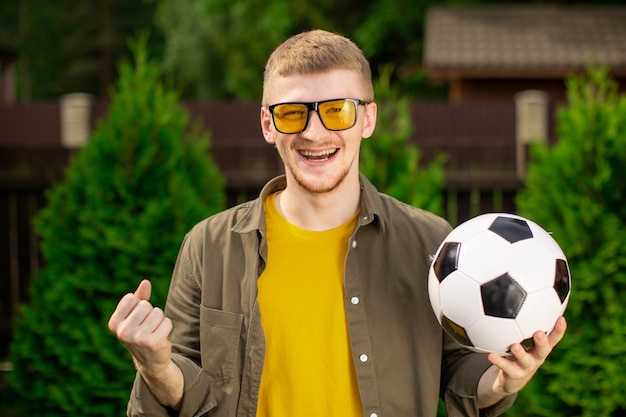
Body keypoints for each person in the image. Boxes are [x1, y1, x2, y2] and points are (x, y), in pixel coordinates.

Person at [108, 29, 567, 417]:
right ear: (268, 125)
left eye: (338, 110)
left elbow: (459, 377)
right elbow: (186, 390)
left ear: (367, 118)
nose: (313, 132)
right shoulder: (209, 246)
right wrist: (156, 367)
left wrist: (503, 381)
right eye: (292, 113)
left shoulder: (430, 242)